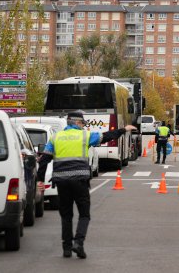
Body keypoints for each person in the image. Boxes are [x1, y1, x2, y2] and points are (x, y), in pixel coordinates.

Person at [37, 111, 136, 259]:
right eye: (82, 123)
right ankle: (79, 243)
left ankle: (67, 248)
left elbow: (44, 159)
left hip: (62, 182)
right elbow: (107, 136)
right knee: (84, 214)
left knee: (66, 215)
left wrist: (40, 181)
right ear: (77, 123)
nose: (83, 126)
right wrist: (124, 129)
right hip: (80, 181)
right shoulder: (85, 136)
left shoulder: (55, 137)